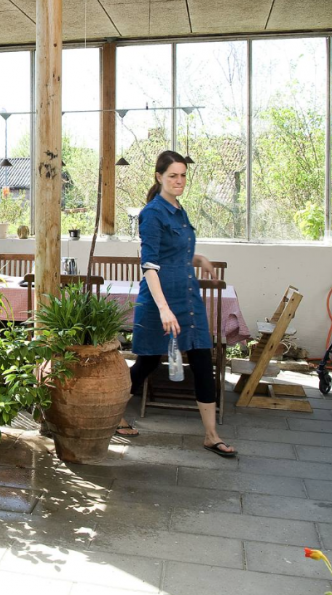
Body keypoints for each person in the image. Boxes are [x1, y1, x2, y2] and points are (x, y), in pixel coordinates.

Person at [116, 150, 237, 458]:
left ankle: (211, 435)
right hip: (160, 300)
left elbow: (175, 252)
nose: (180, 180)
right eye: (173, 175)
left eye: (183, 175)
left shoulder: (179, 209)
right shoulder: (153, 213)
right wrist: (164, 308)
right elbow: (150, 266)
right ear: (159, 177)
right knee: (148, 361)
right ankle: (114, 413)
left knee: (201, 360)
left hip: (188, 297)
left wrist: (198, 259)